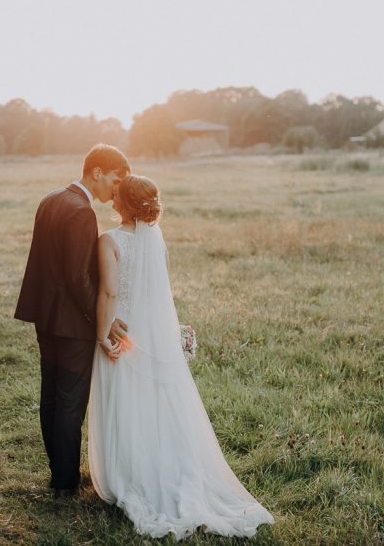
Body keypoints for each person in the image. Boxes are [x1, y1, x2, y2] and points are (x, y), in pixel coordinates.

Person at [88, 175, 275, 538]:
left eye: (116, 197)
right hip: (152, 334)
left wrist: (101, 336)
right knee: (158, 402)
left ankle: (130, 473)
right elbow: (162, 294)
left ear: (124, 204)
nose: (111, 200)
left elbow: (109, 293)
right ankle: (165, 466)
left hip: (123, 333)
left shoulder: (108, 241)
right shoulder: (157, 240)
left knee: (127, 401)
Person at [14, 144, 131, 496]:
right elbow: (79, 279)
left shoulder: (51, 199)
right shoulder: (82, 212)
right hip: (71, 325)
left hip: (45, 319)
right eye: (115, 179)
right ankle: (65, 482)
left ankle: (58, 473)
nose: (116, 189)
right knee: (69, 402)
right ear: (96, 172)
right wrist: (105, 320)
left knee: (50, 395)